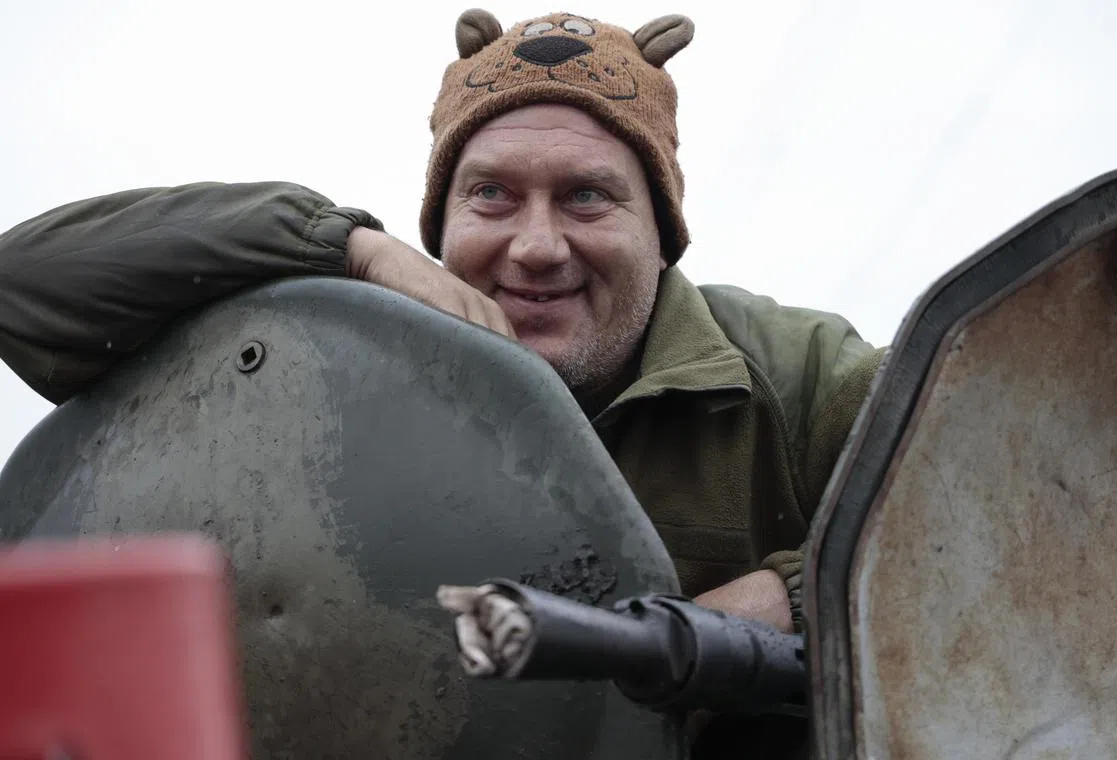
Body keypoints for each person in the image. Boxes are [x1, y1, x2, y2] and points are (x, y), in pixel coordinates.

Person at [0, 9, 884, 639]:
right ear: (441, 227)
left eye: (587, 196)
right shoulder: (339, 367)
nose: (537, 247)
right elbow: (23, 282)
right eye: (492, 194)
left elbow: (994, 490)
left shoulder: (793, 377)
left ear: (662, 236)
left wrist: (788, 596)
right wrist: (345, 247)